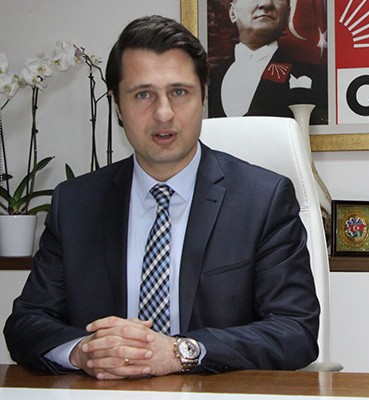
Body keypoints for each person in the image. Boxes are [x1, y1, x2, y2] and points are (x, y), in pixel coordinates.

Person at [3, 15, 320, 379]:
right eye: (143, 95)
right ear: (117, 106)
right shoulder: (76, 204)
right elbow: (26, 323)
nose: (164, 113)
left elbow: (295, 331)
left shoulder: (262, 200)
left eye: (179, 92)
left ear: (203, 97)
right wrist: (83, 352)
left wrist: (180, 351)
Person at [207, 0, 327, 124]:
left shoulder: (315, 78)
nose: (266, 3)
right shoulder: (210, 80)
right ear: (233, 12)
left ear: (287, 14)